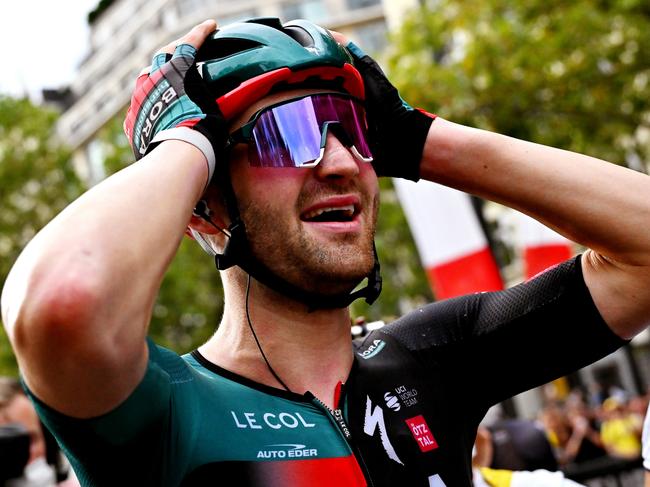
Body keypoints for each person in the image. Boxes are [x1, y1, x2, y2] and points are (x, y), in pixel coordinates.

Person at [2, 16, 650, 487]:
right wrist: (184, 145)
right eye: (291, 134)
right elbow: (64, 301)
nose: (340, 161)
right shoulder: (167, 413)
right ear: (205, 205)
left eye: (355, 134)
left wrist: (417, 139)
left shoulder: (429, 361)